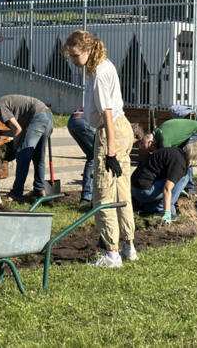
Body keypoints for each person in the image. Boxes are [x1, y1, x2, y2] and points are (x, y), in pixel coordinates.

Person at [63, 30, 135, 268]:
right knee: (122, 191)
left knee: (102, 194)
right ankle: (128, 247)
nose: (73, 61)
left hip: (111, 130)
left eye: (75, 55)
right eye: (70, 57)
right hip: (122, 128)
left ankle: (112, 255)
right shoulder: (103, 66)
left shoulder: (100, 72)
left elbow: (107, 113)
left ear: (87, 49)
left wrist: (110, 152)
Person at [0, 95, 53, 201]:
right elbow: (17, 130)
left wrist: (14, 149)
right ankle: (39, 191)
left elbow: (18, 130)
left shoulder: (0, 107)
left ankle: (16, 193)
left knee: (22, 155)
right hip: (47, 115)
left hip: (38, 117)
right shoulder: (3, 104)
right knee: (38, 157)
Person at [131, 142, 197, 223]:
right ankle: (161, 210)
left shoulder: (175, 152)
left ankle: (148, 207)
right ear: (196, 158)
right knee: (184, 177)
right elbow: (166, 188)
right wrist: (167, 212)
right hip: (144, 192)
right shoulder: (179, 164)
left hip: (135, 189)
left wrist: (179, 189)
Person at [139, 118, 197, 197]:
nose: (152, 152)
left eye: (150, 150)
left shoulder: (164, 140)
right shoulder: (156, 133)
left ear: (151, 142)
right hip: (191, 130)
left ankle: (189, 187)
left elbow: (168, 162)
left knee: (187, 158)